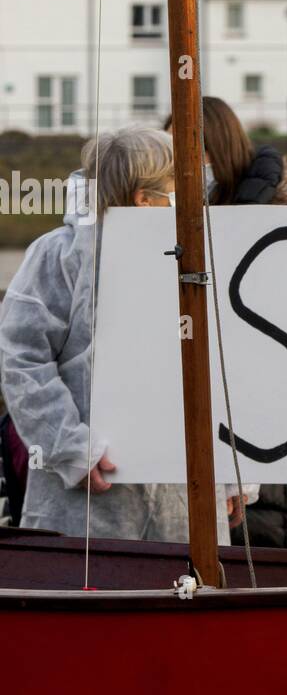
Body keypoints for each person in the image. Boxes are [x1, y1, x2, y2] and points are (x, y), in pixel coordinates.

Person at [0, 126, 237, 543]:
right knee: (89, 600)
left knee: (192, 601)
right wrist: (70, 447)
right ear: (144, 199)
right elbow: (21, 357)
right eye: (175, 189)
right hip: (86, 499)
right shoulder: (60, 257)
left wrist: (236, 472)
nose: (191, 201)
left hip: (188, 495)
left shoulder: (199, 260)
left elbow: (228, 361)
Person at [163, 97, 287, 550]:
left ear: (220, 148)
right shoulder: (176, 229)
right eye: (171, 154)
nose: (185, 166)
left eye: (193, 151)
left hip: (268, 439)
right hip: (217, 442)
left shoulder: (274, 228)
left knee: (271, 572)